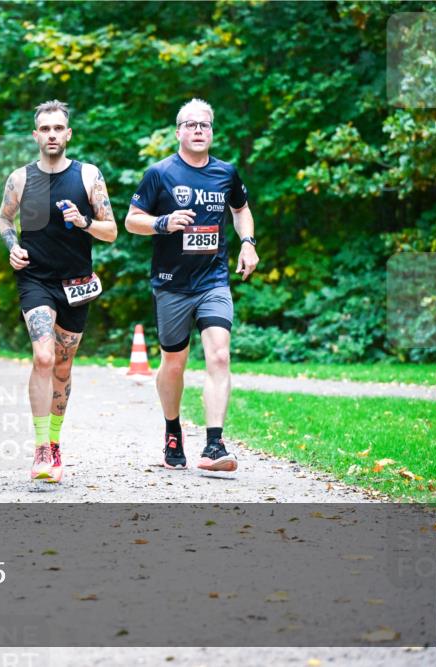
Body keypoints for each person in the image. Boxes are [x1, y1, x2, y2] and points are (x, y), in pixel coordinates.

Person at [124, 98, 259, 473]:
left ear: (212, 132)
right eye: (192, 125)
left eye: (206, 125)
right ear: (179, 131)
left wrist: (247, 243)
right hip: (171, 284)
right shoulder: (160, 173)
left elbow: (241, 209)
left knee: (219, 355)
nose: (199, 131)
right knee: (174, 363)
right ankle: (172, 431)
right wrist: (163, 223)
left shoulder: (226, 173)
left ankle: (214, 445)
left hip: (213, 280)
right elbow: (132, 220)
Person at [0, 100, 117, 483]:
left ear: (68, 134)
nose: (51, 134)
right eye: (44, 129)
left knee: (63, 368)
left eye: (57, 128)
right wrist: (12, 245)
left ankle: (55, 442)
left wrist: (83, 222)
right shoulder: (19, 178)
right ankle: (40, 450)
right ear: (36, 135)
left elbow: (111, 231)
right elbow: (3, 217)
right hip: (35, 280)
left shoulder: (88, 177)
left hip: (77, 284)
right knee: (44, 357)